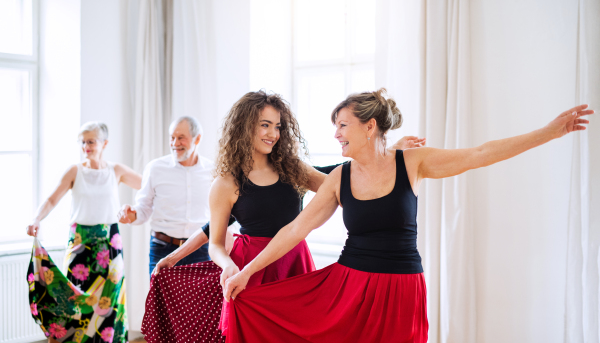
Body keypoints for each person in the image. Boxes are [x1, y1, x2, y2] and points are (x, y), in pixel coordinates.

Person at [222, 89, 594, 343]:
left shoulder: (413, 163)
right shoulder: (339, 178)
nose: (335, 134)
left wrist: (548, 132)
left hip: (402, 287)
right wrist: (247, 271)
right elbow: (294, 230)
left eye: (342, 125)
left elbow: (480, 153)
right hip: (349, 289)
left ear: (370, 127)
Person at [141, 91, 425, 343]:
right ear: (244, 127)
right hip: (250, 268)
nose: (273, 133)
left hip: (292, 261)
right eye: (265, 125)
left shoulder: (293, 169)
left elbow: (344, 179)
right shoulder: (226, 183)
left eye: (277, 126)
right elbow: (214, 238)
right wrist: (218, 263)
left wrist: (387, 153)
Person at [26, 122, 141, 343]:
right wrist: (37, 218)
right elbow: (52, 199)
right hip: (79, 242)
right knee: (74, 299)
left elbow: (147, 186)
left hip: (110, 243)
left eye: (91, 141)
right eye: (83, 141)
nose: (85, 146)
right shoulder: (74, 171)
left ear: (104, 143)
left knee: (110, 299)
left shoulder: (115, 170)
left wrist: (134, 210)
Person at [117, 116, 231, 275]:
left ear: (197, 139)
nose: (175, 143)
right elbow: (142, 209)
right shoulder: (155, 168)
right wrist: (131, 215)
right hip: (163, 249)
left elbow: (222, 211)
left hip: (201, 249)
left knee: (198, 300)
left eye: (181, 138)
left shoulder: (213, 171)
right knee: (161, 300)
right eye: (172, 138)